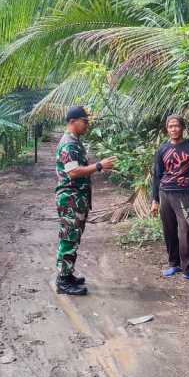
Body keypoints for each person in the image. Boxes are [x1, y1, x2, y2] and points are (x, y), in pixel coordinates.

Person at [54, 106, 116, 295]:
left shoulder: (75, 141)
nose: (87, 125)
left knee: (73, 238)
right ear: (73, 121)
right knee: (69, 238)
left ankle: (67, 274)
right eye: (85, 121)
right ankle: (63, 281)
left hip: (77, 198)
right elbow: (73, 172)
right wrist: (99, 166)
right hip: (71, 199)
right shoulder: (69, 144)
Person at [150, 115, 189, 280]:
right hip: (165, 192)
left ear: (182, 128)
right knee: (169, 230)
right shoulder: (162, 149)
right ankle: (173, 264)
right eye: (170, 126)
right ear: (167, 129)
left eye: (176, 126)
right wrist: (155, 200)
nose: (173, 129)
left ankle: (187, 269)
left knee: (185, 229)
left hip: (183, 194)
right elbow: (156, 175)